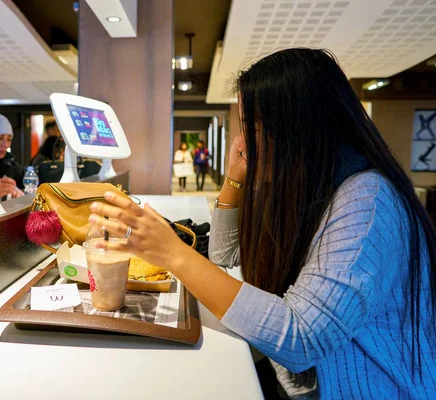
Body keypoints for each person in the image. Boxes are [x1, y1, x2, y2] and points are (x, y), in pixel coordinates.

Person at [88, 48, 436, 397]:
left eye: (254, 128)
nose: (244, 143)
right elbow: (224, 255)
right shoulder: (305, 184)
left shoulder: (367, 201)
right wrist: (234, 179)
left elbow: (301, 340)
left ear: (298, 129)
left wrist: (173, 253)